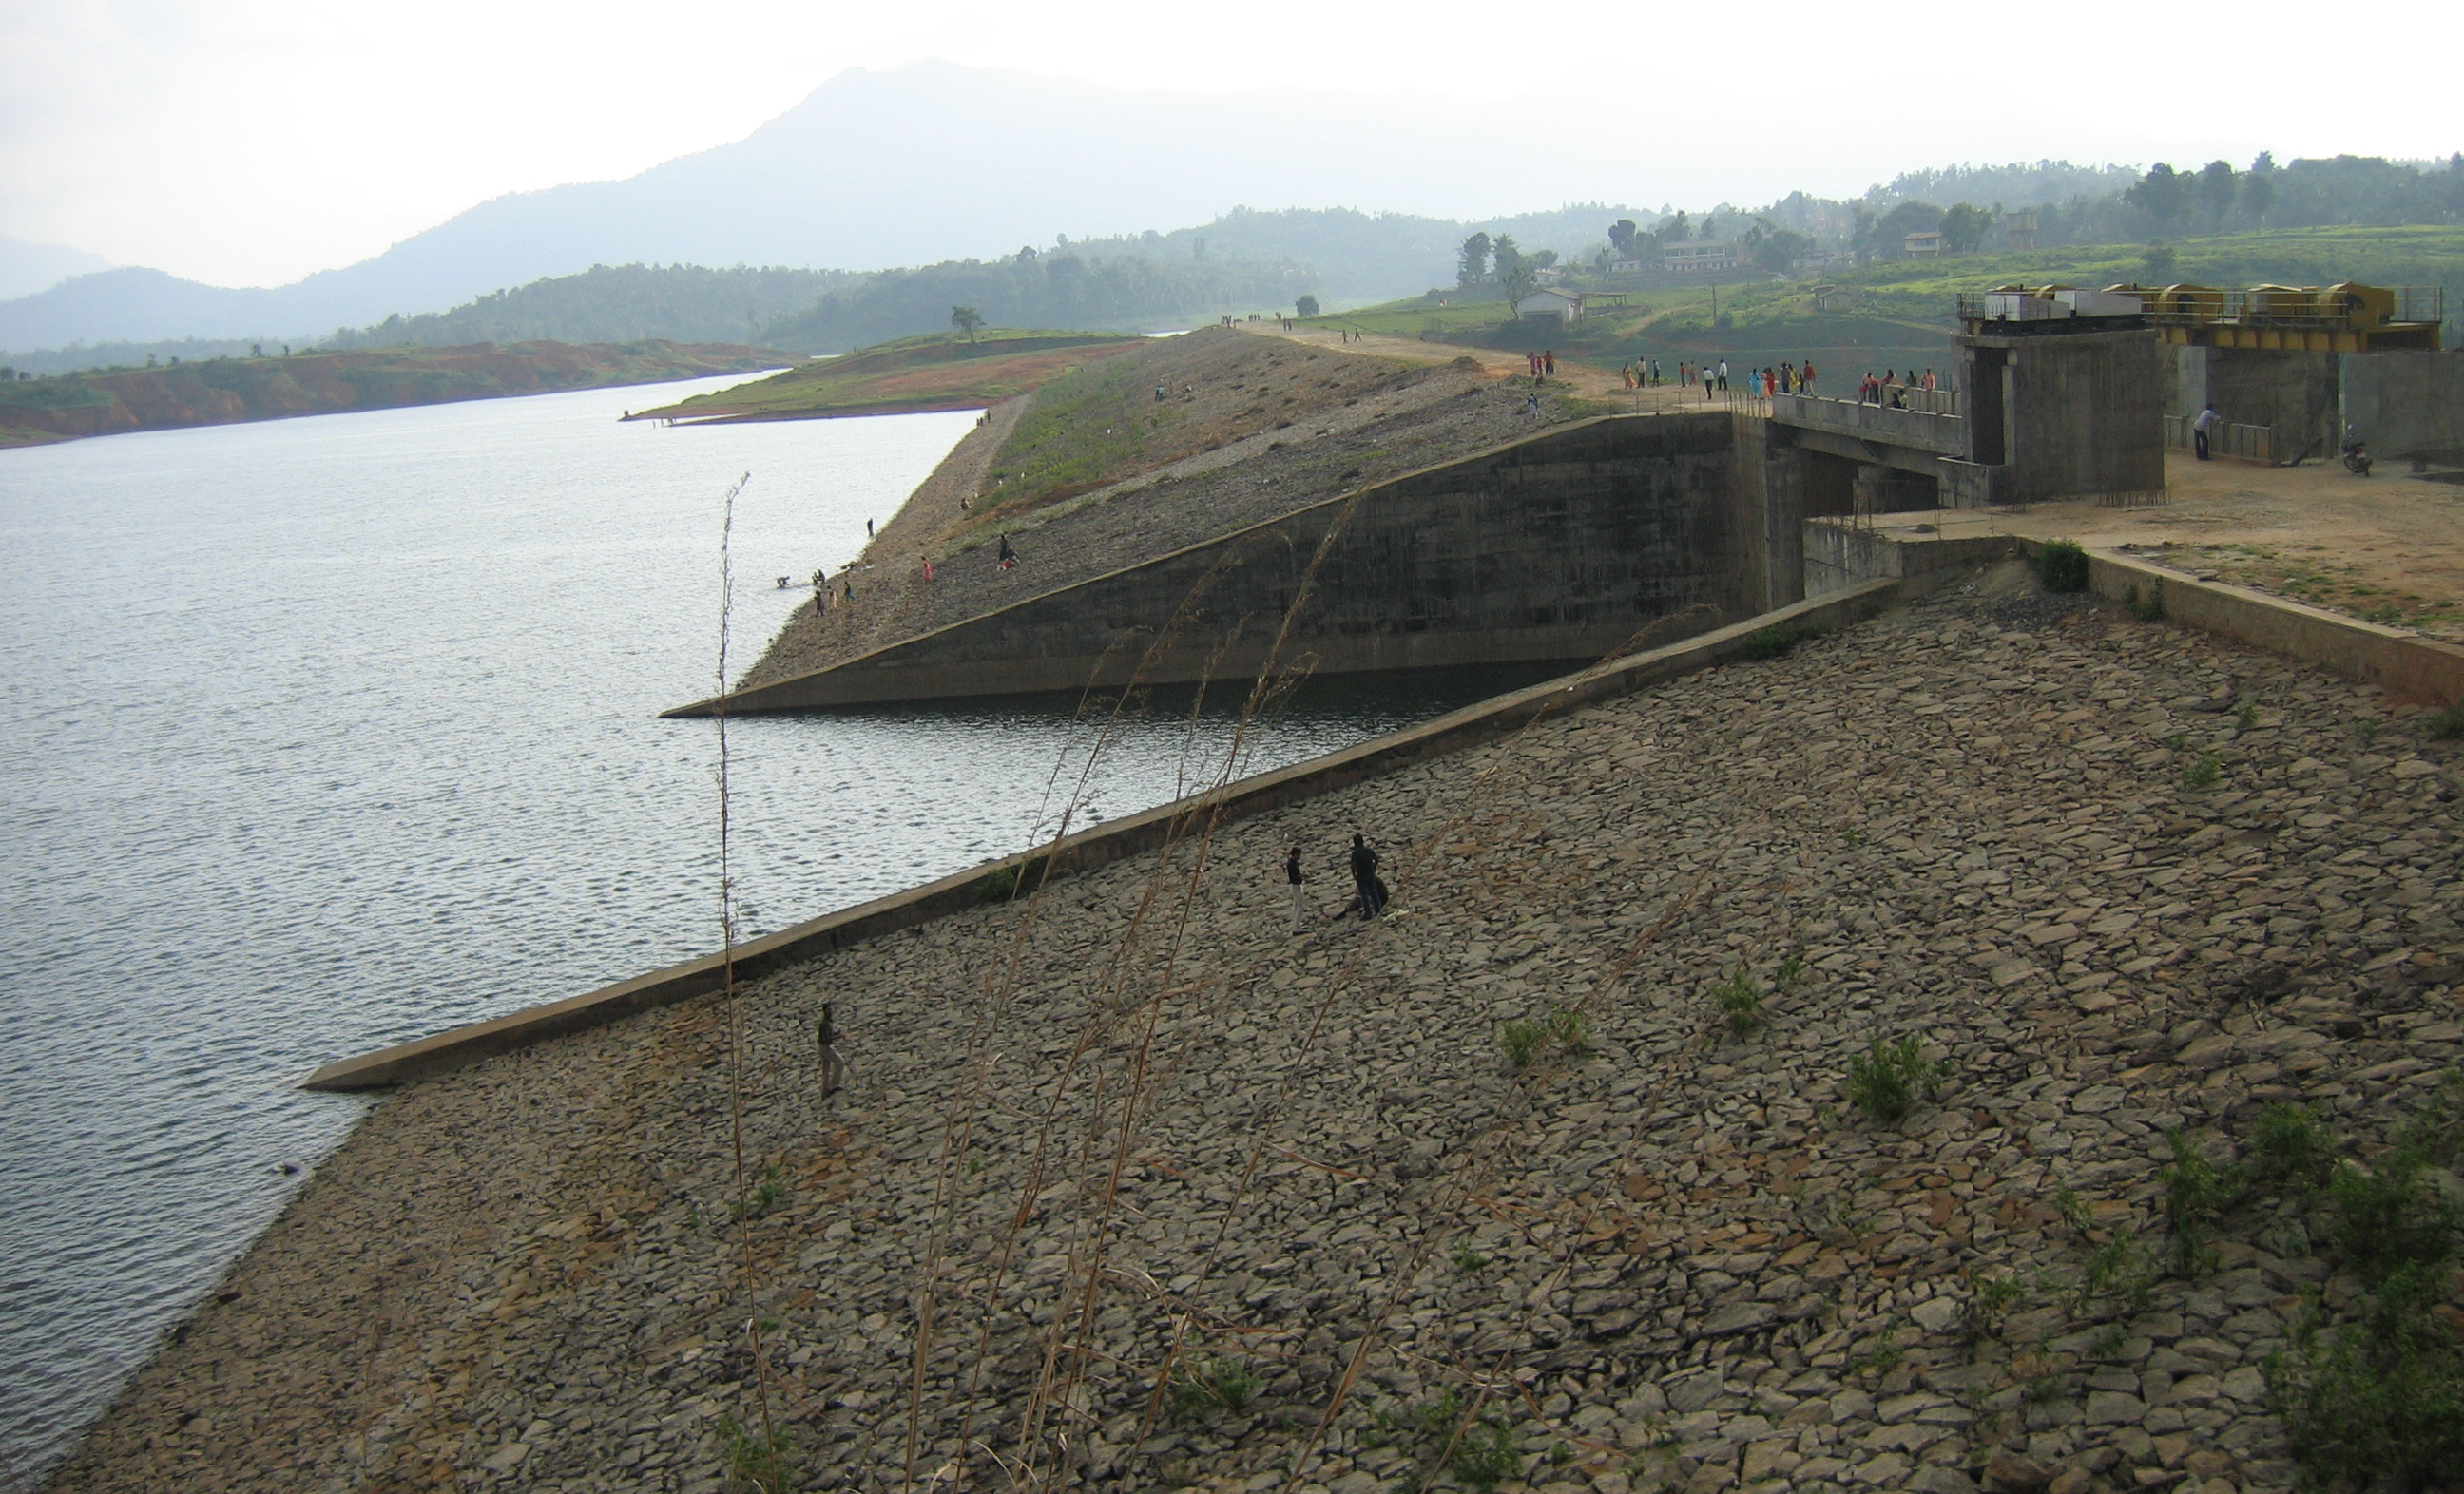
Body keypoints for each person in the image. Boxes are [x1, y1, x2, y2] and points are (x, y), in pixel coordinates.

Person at [1348, 833, 1386, 920]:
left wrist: (1354, 875)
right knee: (1374, 892)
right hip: (1370, 873)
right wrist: (1374, 868)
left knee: (1364, 895)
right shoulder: (1368, 850)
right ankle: (1379, 910)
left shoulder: (1355, 853)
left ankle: (1368, 913)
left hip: (1361, 875)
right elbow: (1376, 859)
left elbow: (1353, 865)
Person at [1284, 844, 1308, 933]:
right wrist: (1304, 875)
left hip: (1295, 885)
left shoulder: (1292, 863)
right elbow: (1296, 876)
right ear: (1294, 854)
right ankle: (1297, 928)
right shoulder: (1291, 864)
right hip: (1296, 886)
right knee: (1300, 907)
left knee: (1296, 906)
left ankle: (1297, 925)